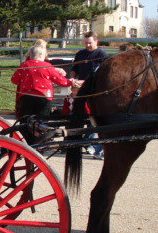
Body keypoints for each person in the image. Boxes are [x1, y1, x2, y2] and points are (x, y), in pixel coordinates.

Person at [11, 43, 74, 124]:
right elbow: (60, 80)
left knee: (25, 120)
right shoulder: (47, 66)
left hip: (26, 97)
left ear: (30, 55)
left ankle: (27, 134)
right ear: (41, 55)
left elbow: (14, 80)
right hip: (43, 97)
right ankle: (40, 133)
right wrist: (70, 82)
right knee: (42, 120)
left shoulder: (24, 65)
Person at [70, 31, 109, 159]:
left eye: (90, 43)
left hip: (94, 89)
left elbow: (101, 75)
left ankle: (88, 142)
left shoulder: (102, 55)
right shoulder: (80, 54)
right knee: (79, 114)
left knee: (93, 117)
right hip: (80, 89)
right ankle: (79, 140)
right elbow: (74, 69)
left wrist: (84, 81)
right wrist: (72, 79)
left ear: (96, 42)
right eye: (86, 42)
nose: (87, 45)